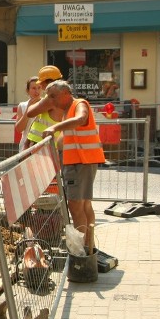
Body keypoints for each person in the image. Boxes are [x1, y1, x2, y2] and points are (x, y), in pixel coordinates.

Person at [41, 80, 105, 250]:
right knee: (84, 204)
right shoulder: (67, 111)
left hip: (80, 162)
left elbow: (81, 118)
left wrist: (55, 128)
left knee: (76, 205)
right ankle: (87, 244)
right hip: (80, 161)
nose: (51, 100)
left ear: (65, 93)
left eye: (53, 96)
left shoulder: (79, 104)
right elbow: (65, 139)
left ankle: (80, 247)